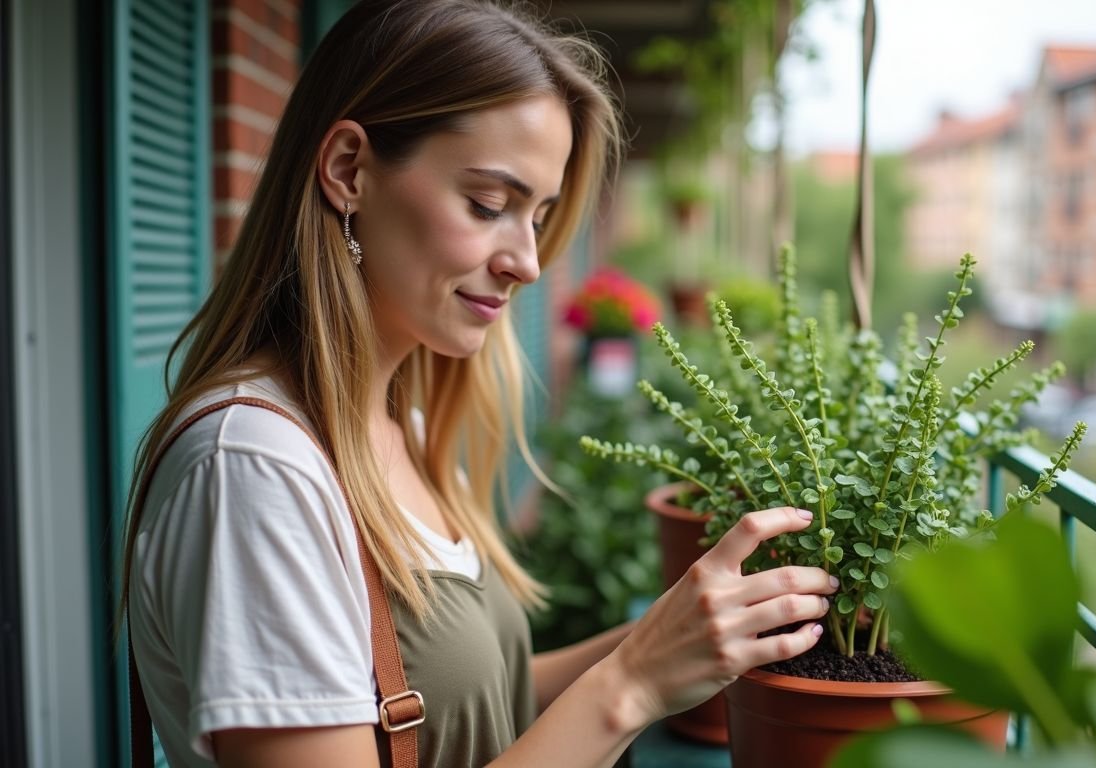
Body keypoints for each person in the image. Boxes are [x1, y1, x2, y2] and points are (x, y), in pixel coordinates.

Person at [121, 1, 837, 766]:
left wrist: (677, 633)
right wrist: (630, 685)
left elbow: (467, 705)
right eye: (489, 205)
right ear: (348, 171)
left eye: (538, 217)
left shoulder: (402, 422)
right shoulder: (255, 470)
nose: (527, 261)